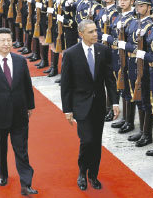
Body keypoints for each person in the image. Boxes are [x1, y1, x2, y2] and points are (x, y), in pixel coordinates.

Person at [60, 19, 120, 191]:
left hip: (99, 104)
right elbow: (66, 84)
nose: (96, 34)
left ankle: (93, 174)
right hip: (80, 105)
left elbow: (110, 79)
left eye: (96, 31)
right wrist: (67, 109)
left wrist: (114, 101)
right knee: (87, 140)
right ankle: (82, 172)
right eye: (91, 32)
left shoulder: (103, 50)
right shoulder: (71, 54)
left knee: (96, 141)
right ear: (81, 34)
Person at [0, 28, 37, 195]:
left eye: (9, 40)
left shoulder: (20, 61)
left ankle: (26, 184)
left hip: (19, 113)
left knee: (21, 150)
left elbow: (27, 85)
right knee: (1, 148)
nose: (6, 43)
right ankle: (3, 174)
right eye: (2, 40)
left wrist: (30, 106)